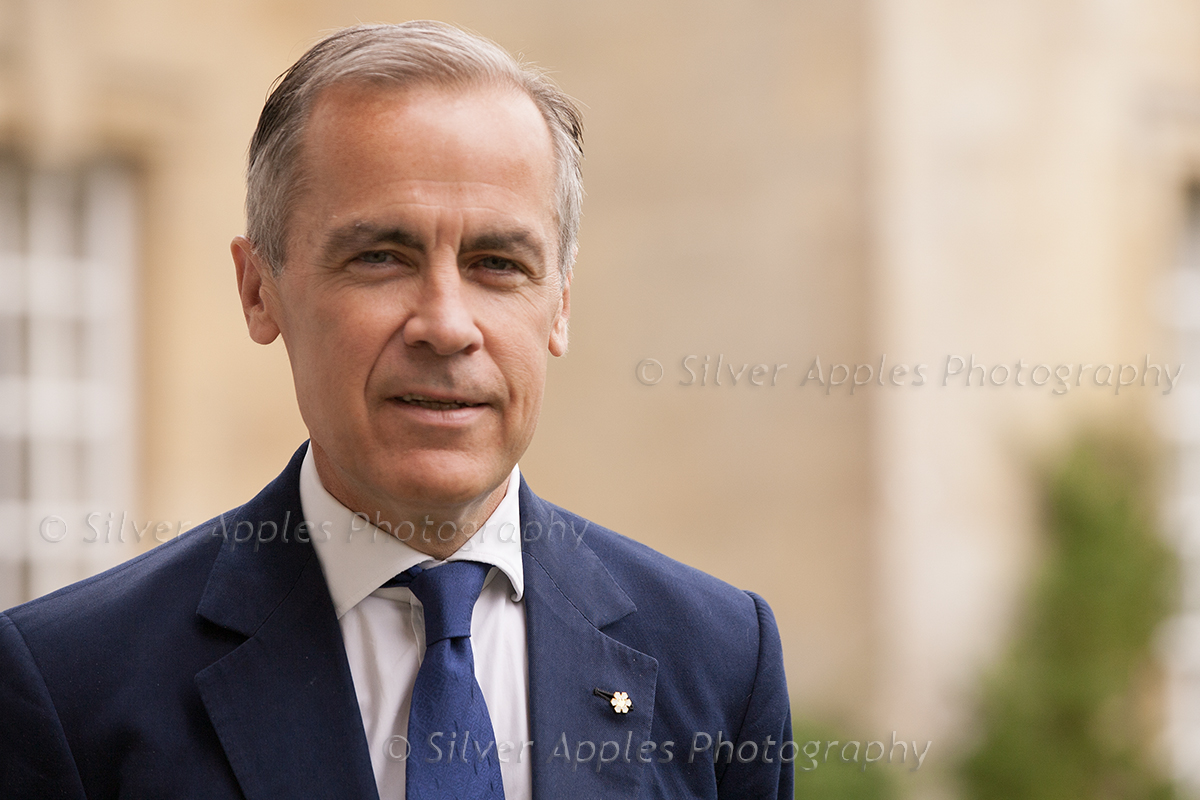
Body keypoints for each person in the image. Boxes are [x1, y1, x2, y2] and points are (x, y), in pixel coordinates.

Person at [0, 21, 792, 799]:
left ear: (560, 306)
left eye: (497, 263)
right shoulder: (70, 684)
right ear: (257, 289)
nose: (446, 325)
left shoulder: (721, 660)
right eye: (380, 257)